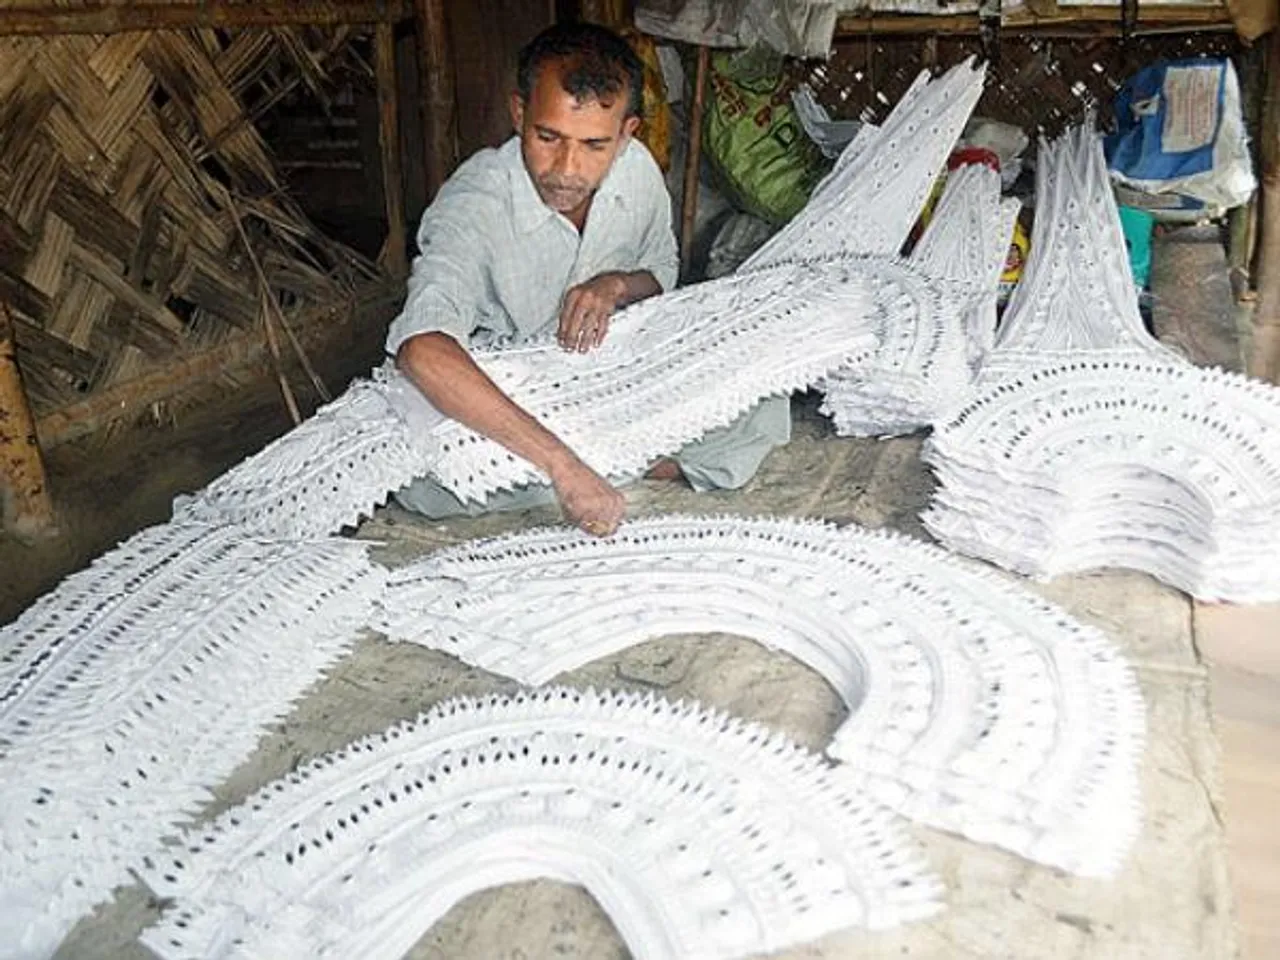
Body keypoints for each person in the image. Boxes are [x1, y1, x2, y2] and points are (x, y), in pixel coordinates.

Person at [387, 22, 789, 537]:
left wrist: (615, 285)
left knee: (761, 384)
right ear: (518, 114)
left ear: (627, 134)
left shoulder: (637, 171)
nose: (567, 168)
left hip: (602, 376)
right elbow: (421, 349)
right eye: (547, 137)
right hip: (510, 394)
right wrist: (563, 466)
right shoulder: (474, 205)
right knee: (430, 476)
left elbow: (662, 276)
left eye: (595, 145)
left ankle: (627, 459)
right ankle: (622, 461)